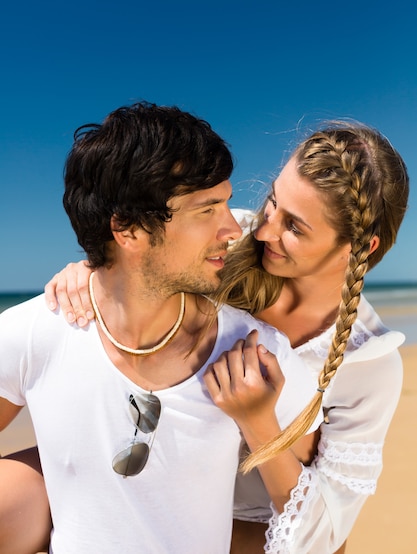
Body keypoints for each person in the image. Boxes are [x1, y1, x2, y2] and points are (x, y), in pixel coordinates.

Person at [42, 120, 409, 553]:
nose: (264, 230)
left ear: (361, 248)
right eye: (273, 200)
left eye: (295, 227)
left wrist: (259, 423)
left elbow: (323, 535)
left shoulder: (370, 363)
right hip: (151, 473)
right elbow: (141, 255)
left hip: (250, 526)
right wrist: (94, 269)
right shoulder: (227, 240)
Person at [0, 102, 321, 554]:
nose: (233, 228)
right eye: (207, 209)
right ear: (128, 229)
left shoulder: (255, 355)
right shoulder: (34, 333)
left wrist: (259, 423)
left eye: (226, 204)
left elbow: (320, 533)